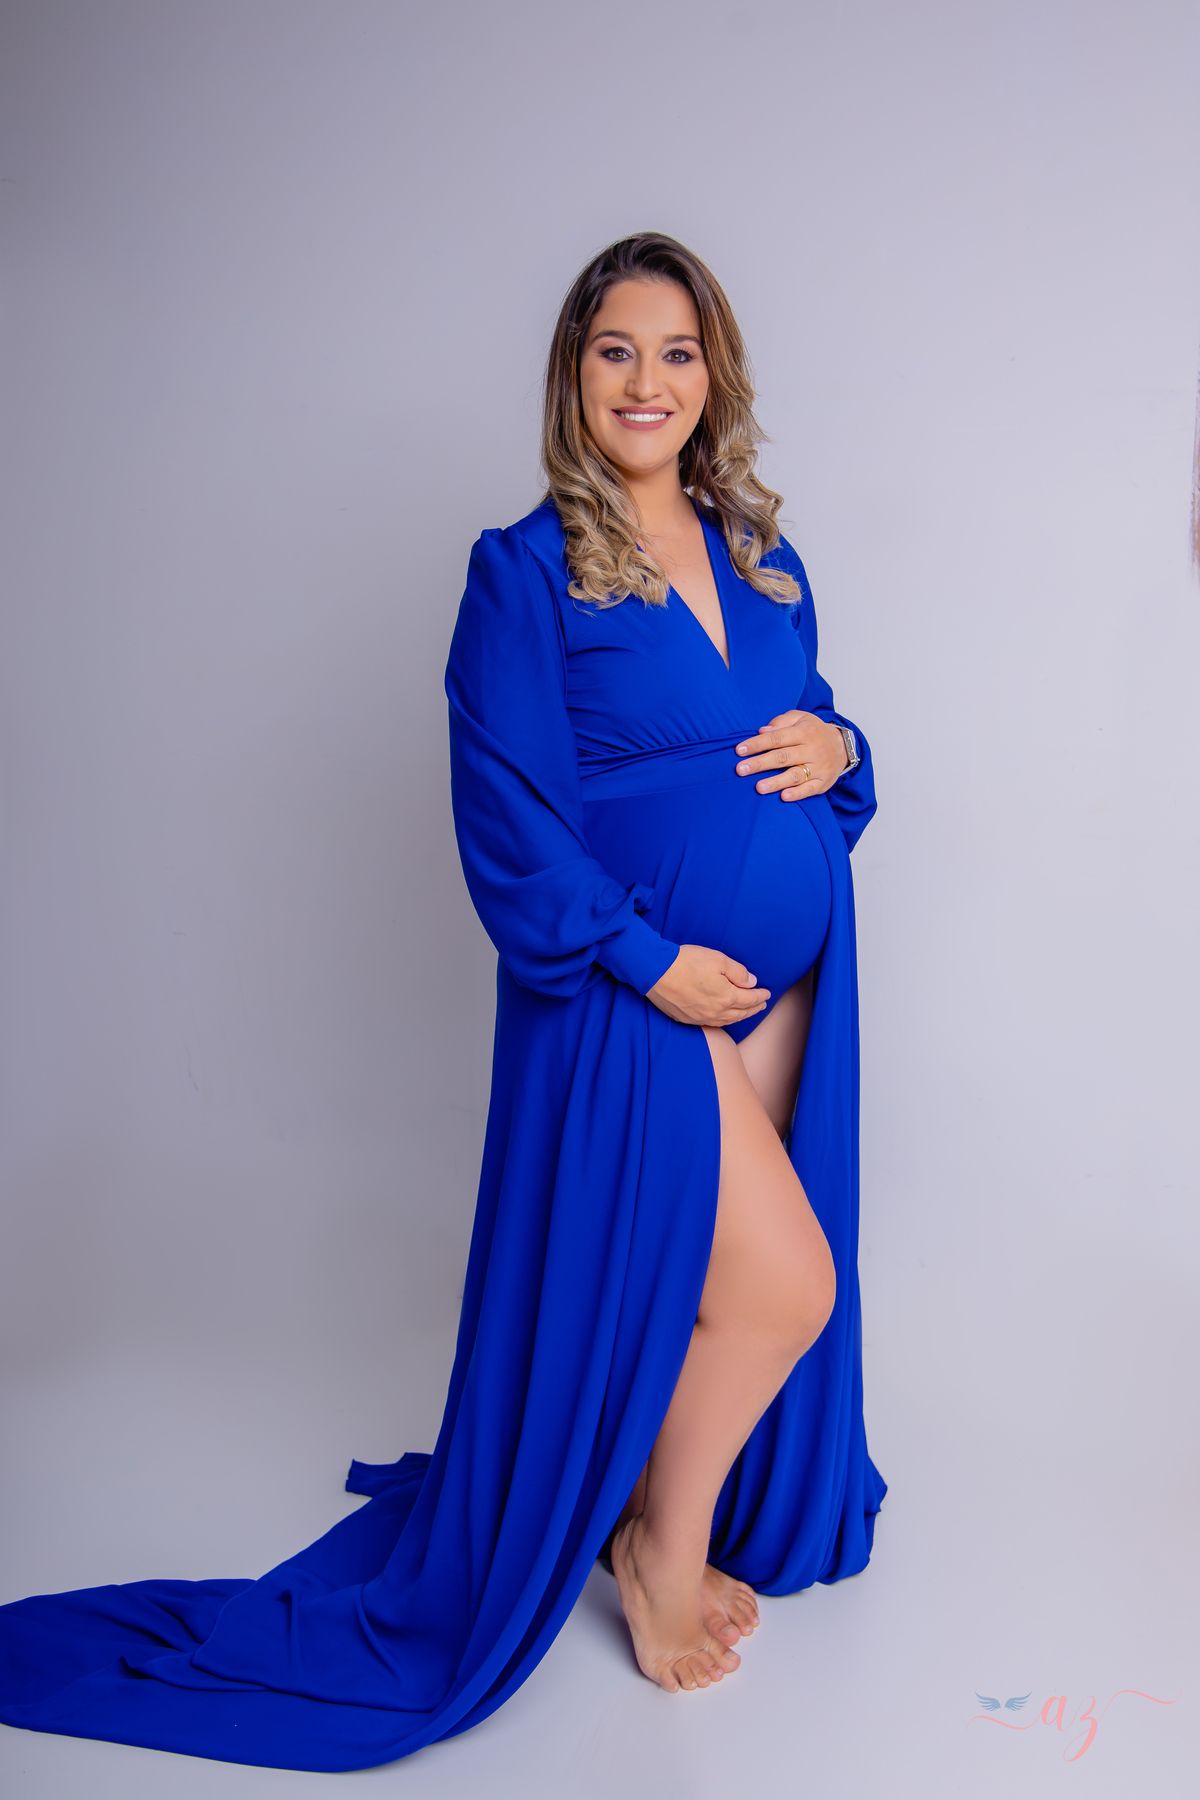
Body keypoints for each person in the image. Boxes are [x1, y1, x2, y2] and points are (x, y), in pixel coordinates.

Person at [0, 233, 884, 1771]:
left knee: (704, 1274)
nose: (648, 380)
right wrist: (650, 962)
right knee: (779, 1284)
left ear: (715, 376)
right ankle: (657, 1553)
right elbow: (510, 824)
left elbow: (805, 742)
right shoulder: (523, 570)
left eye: (678, 352)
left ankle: (640, 1496)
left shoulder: (765, 560)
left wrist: (849, 748)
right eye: (616, 349)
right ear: (571, 372)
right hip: (639, 995)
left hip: (789, 985)